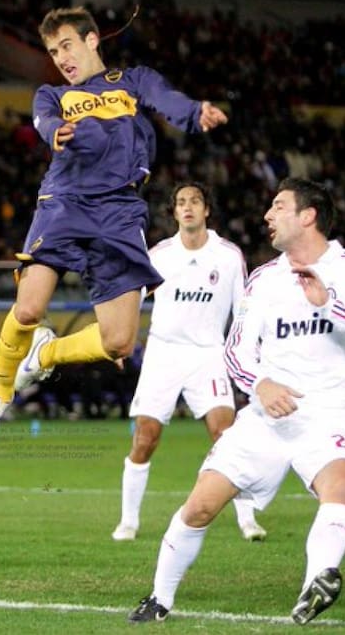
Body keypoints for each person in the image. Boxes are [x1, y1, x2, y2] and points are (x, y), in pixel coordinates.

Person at [0, 5, 228, 444]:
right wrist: (55, 130)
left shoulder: (132, 81)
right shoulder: (52, 94)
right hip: (64, 201)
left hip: (120, 211)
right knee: (28, 309)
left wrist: (194, 111)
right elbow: (45, 120)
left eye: (67, 45)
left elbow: (165, 98)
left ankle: (44, 354)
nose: (61, 58)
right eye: (53, 51)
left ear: (91, 40)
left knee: (119, 342)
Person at [129, 178, 345, 625]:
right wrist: (261, 384)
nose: (267, 215)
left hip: (330, 412)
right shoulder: (264, 279)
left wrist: (328, 304)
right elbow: (236, 352)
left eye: (278, 206)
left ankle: (316, 584)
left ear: (308, 215)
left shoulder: (343, 270)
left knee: (340, 489)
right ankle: (159, 599)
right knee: (200, 505)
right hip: (266, 417)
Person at [111, 182, 266, 543]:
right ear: (175, 212)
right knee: (146, 438)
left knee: (226, 436)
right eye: (181, 202)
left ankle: (248, 520)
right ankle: (128, 521)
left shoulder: (228, 256)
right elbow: (131, 299)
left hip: (208, 354)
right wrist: (120, 342)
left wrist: (248, 356)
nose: (188, 207)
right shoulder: (159, 255)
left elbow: (243, 312)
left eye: (195, 201)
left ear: (206, 209)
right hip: (163, 354)